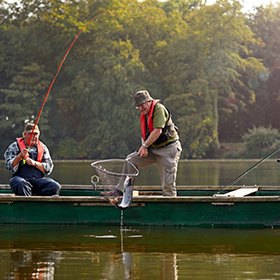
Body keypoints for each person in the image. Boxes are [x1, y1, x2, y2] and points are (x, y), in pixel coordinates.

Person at [102, 90, 182, 197]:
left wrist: (145, 146)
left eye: (142, 105)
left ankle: (170, 208)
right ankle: (120, 192)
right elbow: (146, 134)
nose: (140, 108)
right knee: (130, 160)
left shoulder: (159, 109)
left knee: (168, 185)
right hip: (153, 148)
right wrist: (144, 147)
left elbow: (157, 131)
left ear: (149, 101)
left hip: (168, 149)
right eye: (138, 106)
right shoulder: (145, 114)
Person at [4, 123, 61, 196]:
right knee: (18, 182)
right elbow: (9, 166)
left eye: (36, 134)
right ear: (24, 134)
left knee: (54, 186)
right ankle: (28, 202)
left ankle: (34, 199)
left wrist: (35, 163)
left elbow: (48, 168)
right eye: (30, 134)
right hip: (21, 179)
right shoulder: (14, 146)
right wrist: (20, 156)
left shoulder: (43, 147)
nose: (33, 137)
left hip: (38, 181)